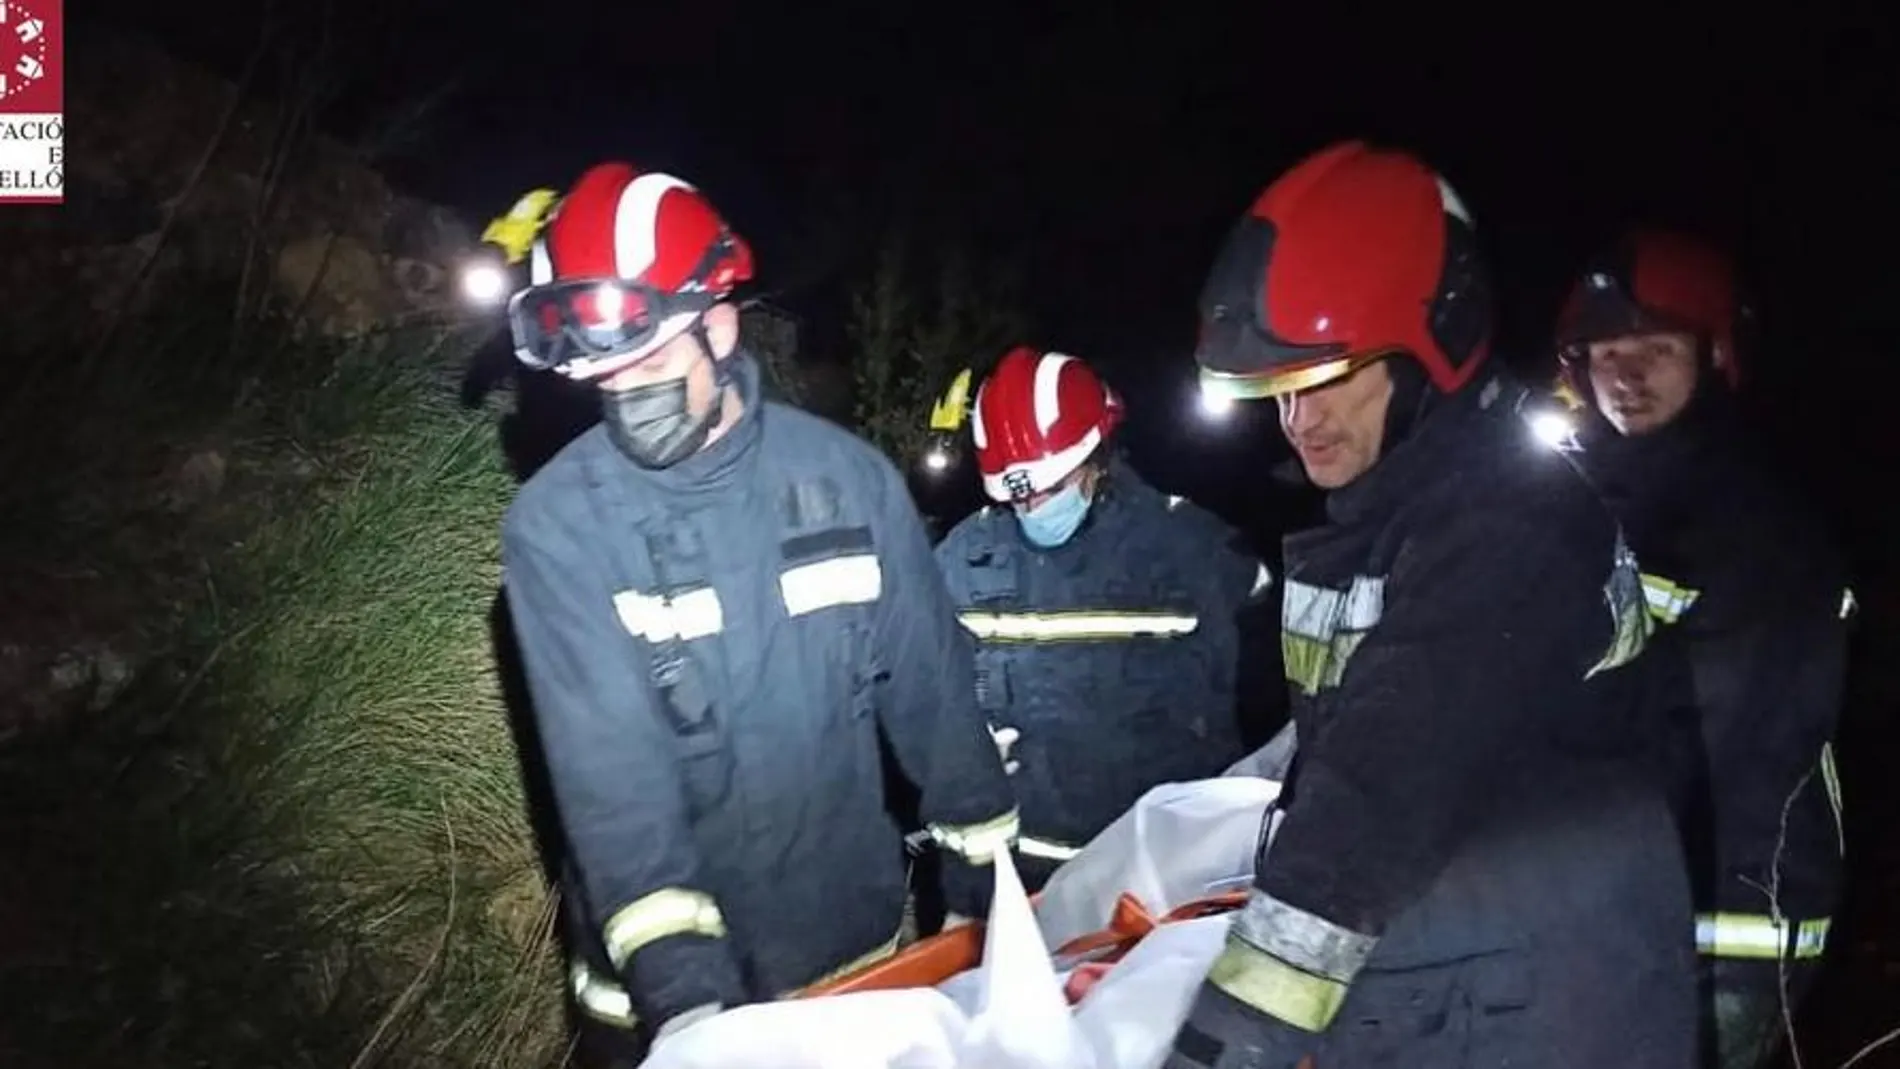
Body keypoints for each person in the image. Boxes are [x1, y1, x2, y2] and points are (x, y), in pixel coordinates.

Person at [1165, 139, 1697, 1069]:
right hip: (1455, 976)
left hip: (1542, 1004)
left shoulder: (1504, 528)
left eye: (1330, 376)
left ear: (1428, 356)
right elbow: (1348, 727)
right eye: (1282, 389)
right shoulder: (1386, 514)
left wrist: (1221, 1048)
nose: (1301, 418)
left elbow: (1376, 796)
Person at [497, 161, 1020, 1064]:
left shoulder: (850, 483)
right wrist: (690, 1008)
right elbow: (612, 785)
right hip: (658, 1002)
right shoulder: (558, 526)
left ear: (718, 319)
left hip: (848, 961)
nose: (630, 401)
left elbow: (935, 701)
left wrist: (985, 895)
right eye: (606, 381)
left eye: (652, 361)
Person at [1554, 229, 1853, 1069]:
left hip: (1730, 916)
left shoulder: (1751, 521)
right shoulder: (1596, 498)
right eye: (1605, 350)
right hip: (1625, 901)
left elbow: (1697, 722)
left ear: (1714, 354)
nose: (1626, 373)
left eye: (1656, 347)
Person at [933, 345, 1271, 899]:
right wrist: (962, 901)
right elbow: (948, 742)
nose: (1035, 506)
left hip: (1152, 887)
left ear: (1096, 456)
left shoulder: (1190, 552)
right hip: (1018, 890)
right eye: (1019, 498)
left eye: (1051, 488)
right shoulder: (962, 564)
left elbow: (1262, 710)